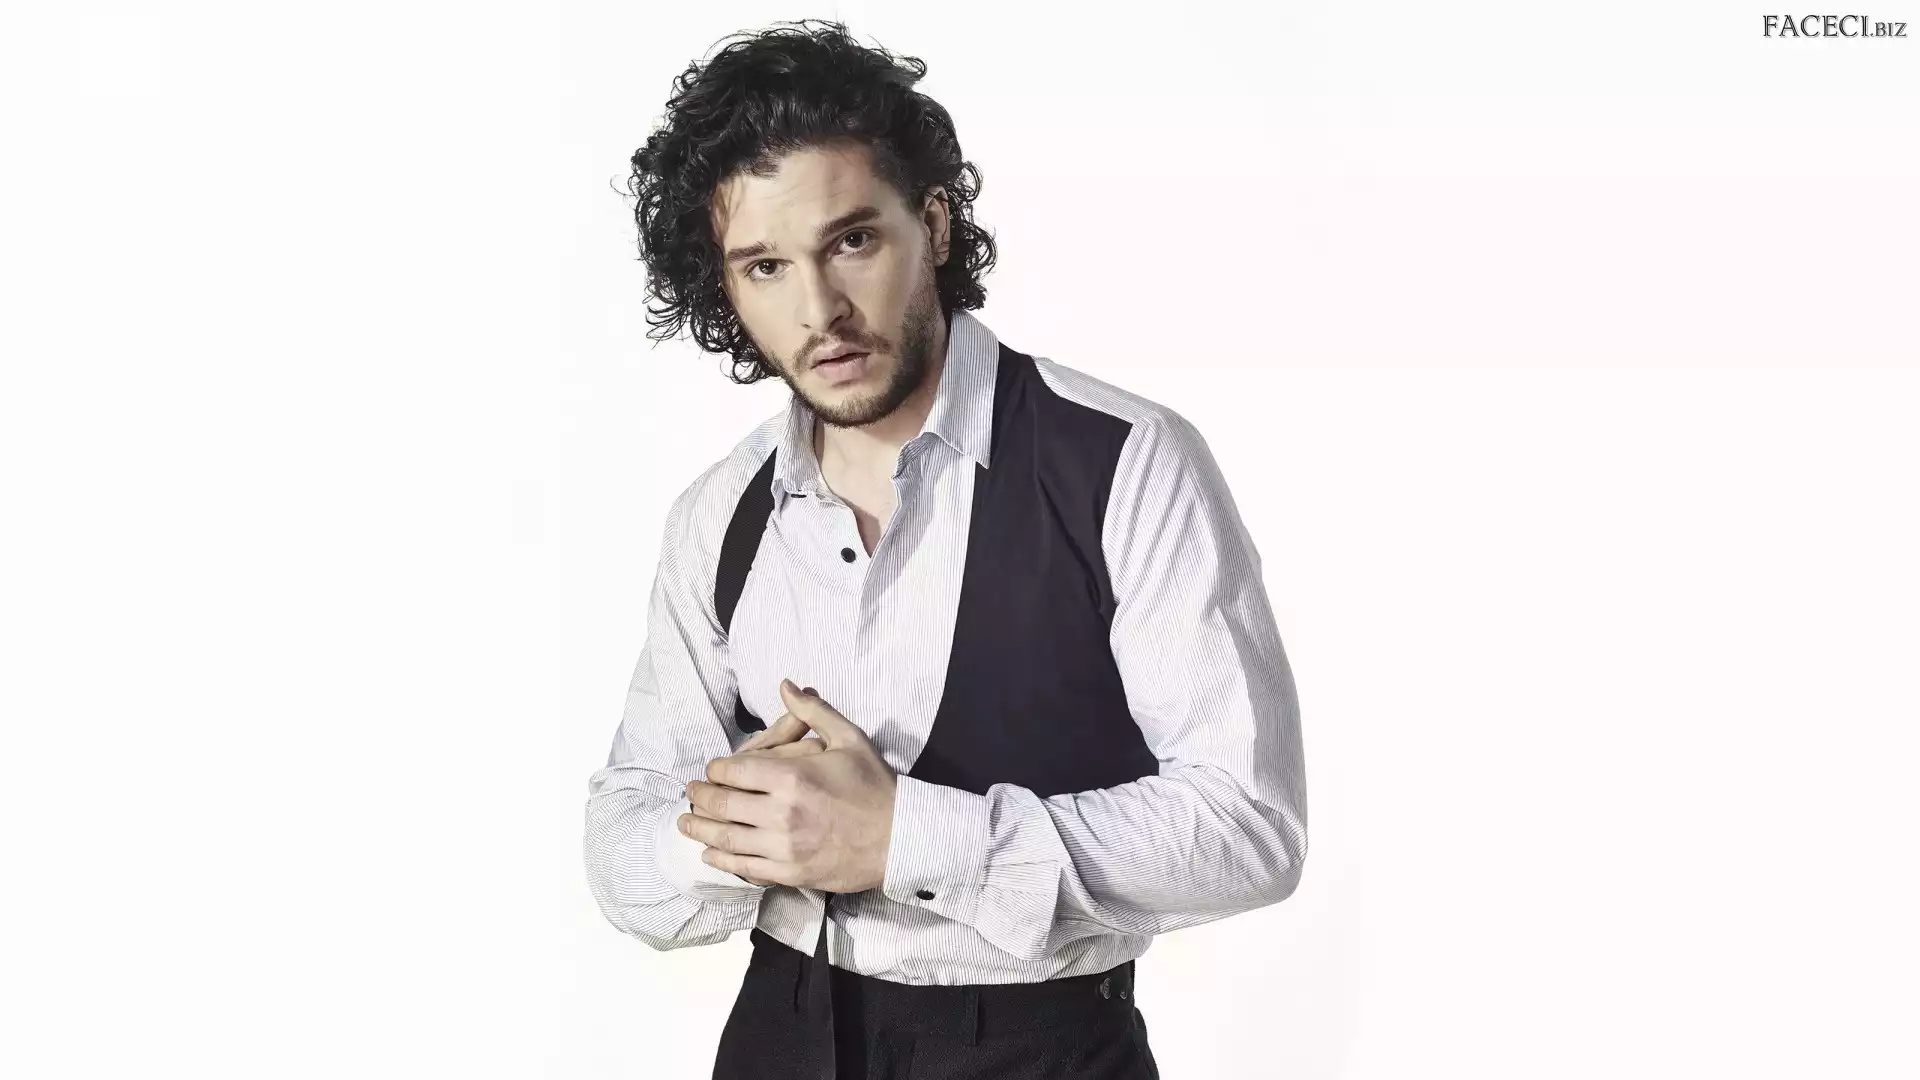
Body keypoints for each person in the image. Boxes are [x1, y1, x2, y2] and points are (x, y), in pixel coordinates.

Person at [583, 20, 1307, 1080]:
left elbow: (1250, 828)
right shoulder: (720, 513)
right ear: (726, 288)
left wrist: (904, 837)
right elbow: (621, 844)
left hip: (1039, 1046)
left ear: (932, 223)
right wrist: (753, 828)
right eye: (766, 266)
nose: (819, 311)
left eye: (852, 242)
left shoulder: (1124, 462)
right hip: (780, 1033)